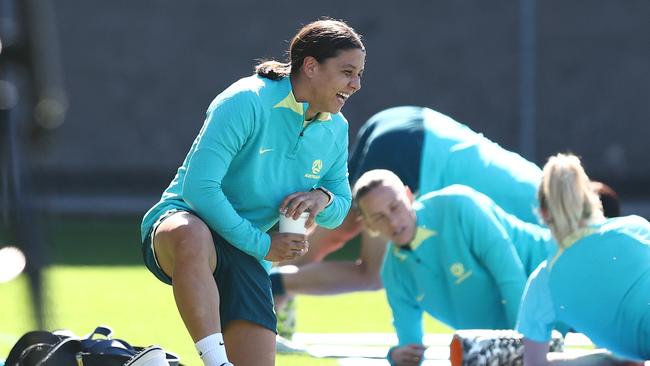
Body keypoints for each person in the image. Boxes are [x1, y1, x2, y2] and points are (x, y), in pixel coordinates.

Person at [139, 19, 365, 366]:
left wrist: (323, 199)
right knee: (191, 232)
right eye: (347, 71)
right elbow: (198, 189)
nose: (356, 84)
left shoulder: (336, 128)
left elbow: (341, 206)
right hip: (185, 228)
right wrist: (263, 245)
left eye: (359, 74)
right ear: (310, 66)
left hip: (248, 255)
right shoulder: (246, 100)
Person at [271, 106, 543, 311]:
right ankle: (273, 285)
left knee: (339, 227)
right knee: (374, 274)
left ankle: (266, 300)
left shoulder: (547, 185)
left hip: (407, 122)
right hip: (416, 152)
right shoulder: (559, 220)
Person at [352, 169, 554, 366]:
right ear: (368, 225)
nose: (393, 222)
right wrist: (396, 356)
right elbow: (411, 349)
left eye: (395, 206)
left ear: (408, 195)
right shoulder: (393, 274)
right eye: (379, 217)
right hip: (524, 334)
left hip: (558, 270)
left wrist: (522, 347)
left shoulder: (459, 206)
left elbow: (510, 277)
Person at [517, 153, 650, 365]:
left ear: (543, 213)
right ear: (591, 199)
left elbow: (534, 364)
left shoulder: (543, 284)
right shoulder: (638, 228)